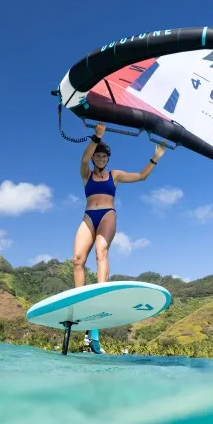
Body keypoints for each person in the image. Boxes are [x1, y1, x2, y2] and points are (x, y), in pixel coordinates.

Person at [73, 123, 166, 353]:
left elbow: (141, 176)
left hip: (107, 214)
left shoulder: (114, 176)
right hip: (88, 216)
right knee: (77, 260)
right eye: (98, 155)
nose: (100, 158)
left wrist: (155, 157)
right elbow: (83, 159)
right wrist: (97, 137)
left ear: (108, 159)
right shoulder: (86, 174)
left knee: (100, 252)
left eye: (104, 156)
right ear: (94, 158)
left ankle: (100, 295)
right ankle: (80, 300)